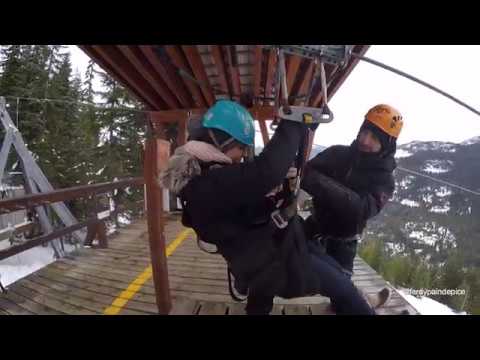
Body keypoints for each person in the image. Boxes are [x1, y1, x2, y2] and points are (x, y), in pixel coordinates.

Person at [160, 100, 375, 315]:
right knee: (343, 288)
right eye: (242, 147)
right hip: (276, 261)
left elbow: (242, 200)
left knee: (331, 271)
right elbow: (266, 171)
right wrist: (293, 124)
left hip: (263, 254)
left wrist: (276, 195)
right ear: (222, 141)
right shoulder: (208, 183)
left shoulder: (202, 174)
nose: (242, 155)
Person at [301, 104, 404, 309]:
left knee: (341, 299)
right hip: (313, 228)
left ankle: (365, 300)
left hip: (343, 243)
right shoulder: (338, 154)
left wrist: (320, 183)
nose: (365, 141)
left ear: (387, 145)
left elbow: (360, 210)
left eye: (375, 138)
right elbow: (305, 173)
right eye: (364, 132)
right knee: (294, 267)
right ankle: (364, 299)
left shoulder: (384, 180)